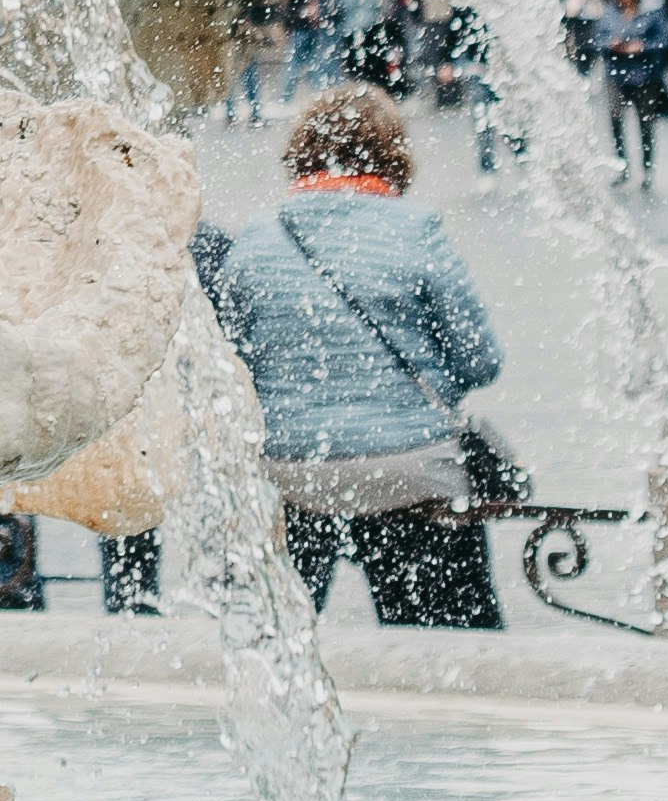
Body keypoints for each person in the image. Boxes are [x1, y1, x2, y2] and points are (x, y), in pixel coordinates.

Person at [200, 83, 509, 626]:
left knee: (274, 647)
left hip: (290, 472)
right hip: (407, 469)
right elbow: (481, 360)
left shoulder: (255, 239)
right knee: (444, 654)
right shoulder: (415, 231)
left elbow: (233, 362)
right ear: (394, 153)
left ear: (301, 149)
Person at [603, 0, 668, 196]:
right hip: (617, 75)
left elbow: (665, 40)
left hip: (643, 75)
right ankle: (622, 165)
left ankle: (647, 168)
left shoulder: (651, 12)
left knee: (646, 123)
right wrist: (612, 44)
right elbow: (597, 38)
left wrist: (643, 46)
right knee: (616, 121)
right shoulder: (609, 12)